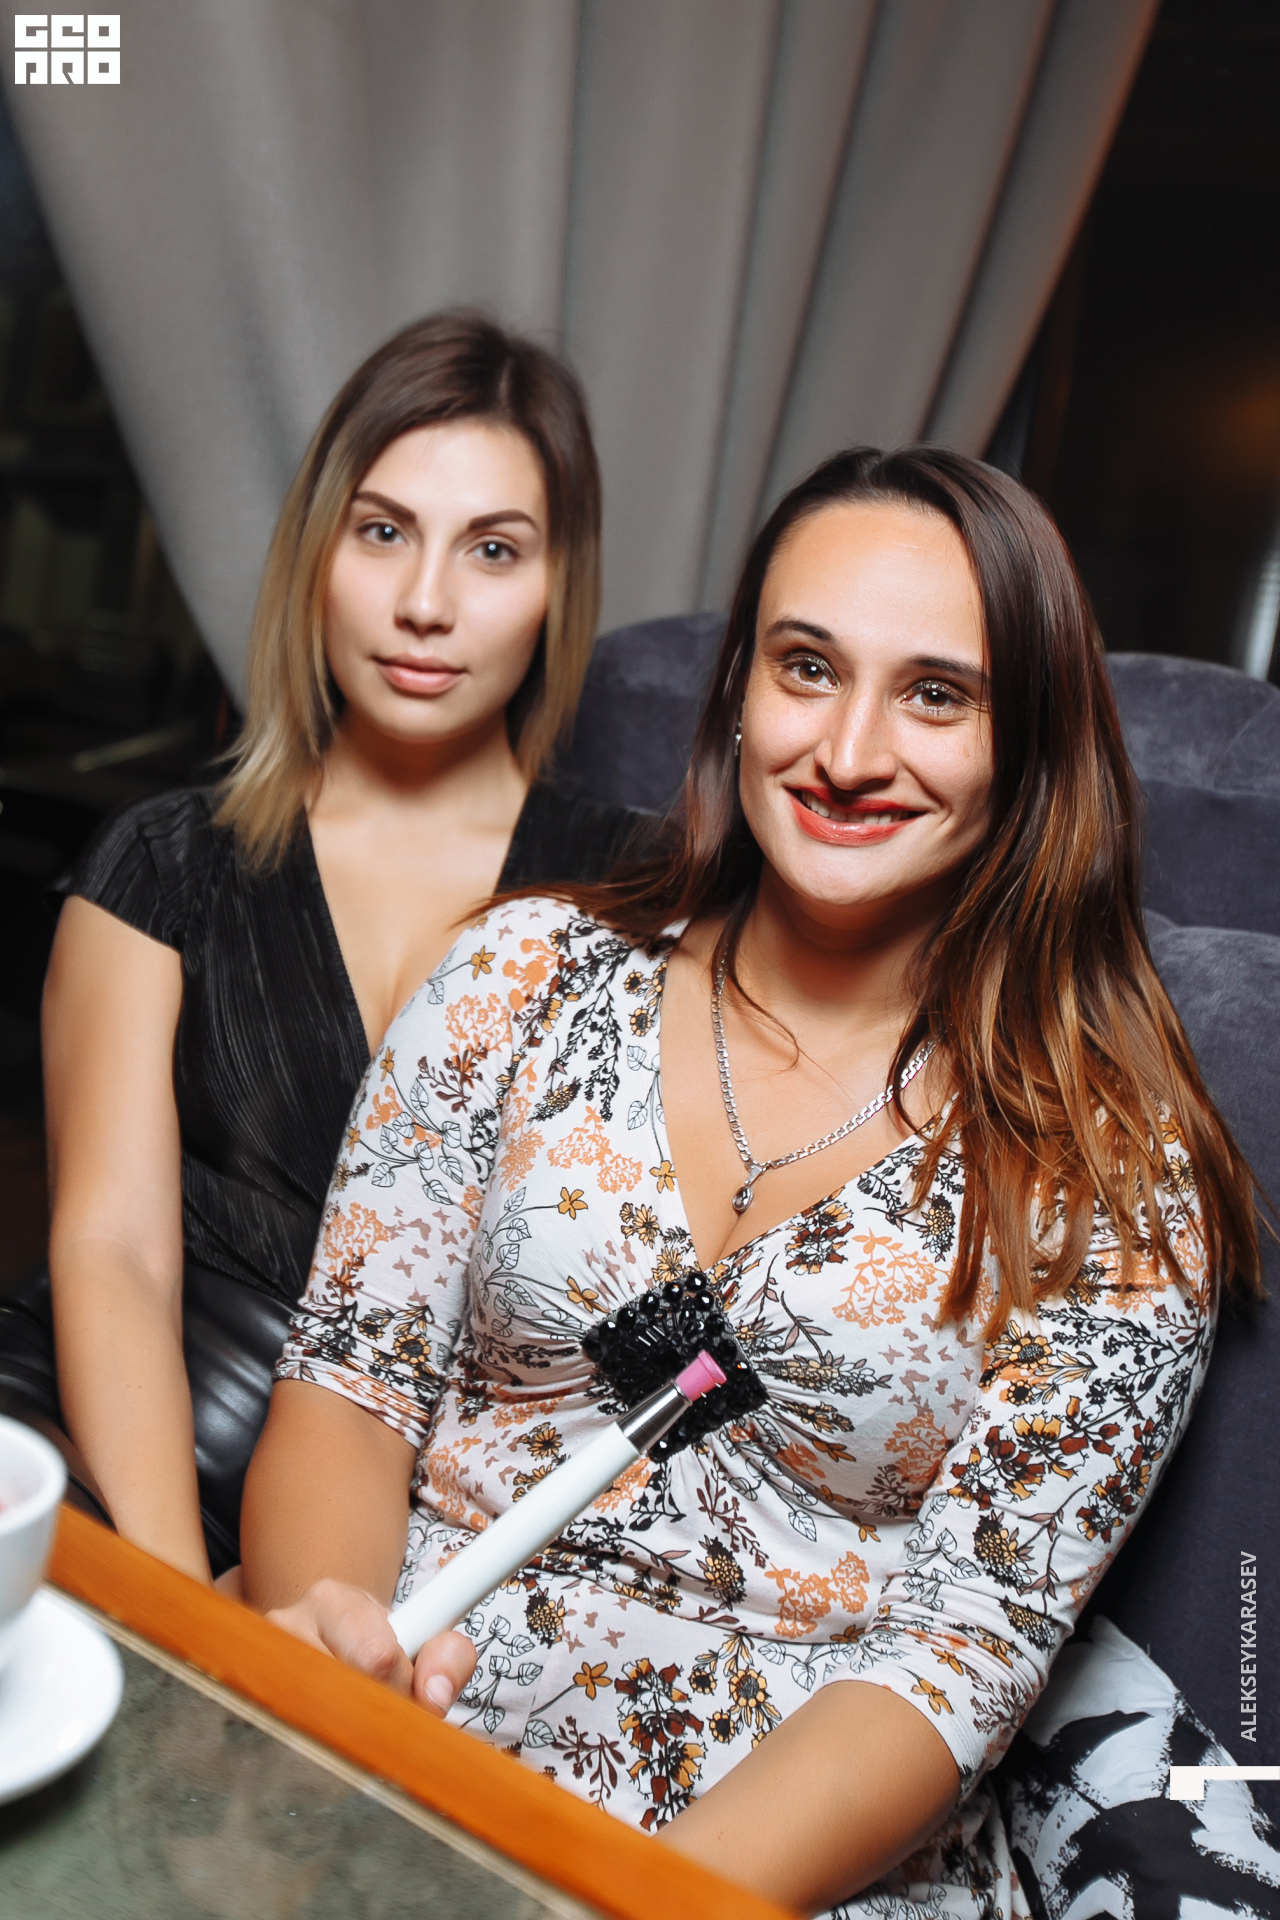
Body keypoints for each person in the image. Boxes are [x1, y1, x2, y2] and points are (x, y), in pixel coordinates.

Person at [241, 447, 1259, 1917]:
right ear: (738, 692)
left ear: (1031, 745)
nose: (847, 750)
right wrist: (339, 1683)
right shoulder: (514, 977)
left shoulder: (1111, 1177)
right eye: (806, 667)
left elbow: (962, 1650)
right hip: (407, 1748)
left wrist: (629, 1901)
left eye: (936, 695)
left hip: (783, 1868)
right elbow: (351, 1384)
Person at [0, 311, 644, 1586]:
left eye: (493, 549)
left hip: (421, 1529)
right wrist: (185, 1614)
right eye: (382, 531)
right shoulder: (164, 862)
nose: (424, 604)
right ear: (316, 555)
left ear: (558, 586)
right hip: (104, 1448)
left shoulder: (644, 899)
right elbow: (114, 1253)